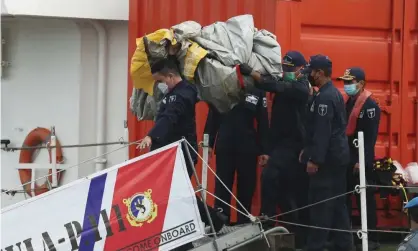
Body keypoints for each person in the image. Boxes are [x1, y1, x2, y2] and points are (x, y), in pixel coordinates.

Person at [138, 58, 226, 250]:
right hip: (168, 154)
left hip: (180, 153)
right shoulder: (173, 93)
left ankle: (198, 229)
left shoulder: (182, 94)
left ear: (170, 76)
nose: (160, 86)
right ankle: (211, 219)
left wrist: (151, 136)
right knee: (174, 193)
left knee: (177, 194)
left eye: (161, 81)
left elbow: (170, 118)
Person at [239, 50, 310, 248]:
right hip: (281, 144)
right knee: (285, 192)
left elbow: (275, 85)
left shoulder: (301, 87)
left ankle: (267, 220)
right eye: (284, 68)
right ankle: (288, 232)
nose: (286, 71)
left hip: (294, 146)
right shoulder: (286, 83)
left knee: (270, 178)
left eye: (290, 68)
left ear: (300, 69)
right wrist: (268, 150)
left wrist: (253, 73)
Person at [299, 54, 353, 251]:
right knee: (338, 206)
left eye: (311, 72)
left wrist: (315, 159)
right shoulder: (331, 94)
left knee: (321, 206)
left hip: (328, 162)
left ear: (319, 73)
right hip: (336, 159)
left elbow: (323, 132)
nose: (309, 75)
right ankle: (345, 246)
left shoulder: (325, 97)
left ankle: (315, 246)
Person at [204, 85, 269, 225]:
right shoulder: (221, 84)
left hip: (247, 146)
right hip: (225, 145)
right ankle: (220, 219)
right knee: (222, 183)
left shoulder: (256, 88)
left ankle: (243, 219)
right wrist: (208, 144)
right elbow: (213, 115)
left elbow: (262, 119)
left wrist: (265, 150)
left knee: (247, 185)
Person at [337, 67, 381, 251]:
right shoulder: (349, 102)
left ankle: (371, 238)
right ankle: (346, 238)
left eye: (350, 82)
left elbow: (369, 139)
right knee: (345, 198)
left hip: (360, 159)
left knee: (365, 199)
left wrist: (361, 162)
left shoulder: (370, 106)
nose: (347, 85)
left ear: (361, 84)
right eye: (345, 82)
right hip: (347, 157)